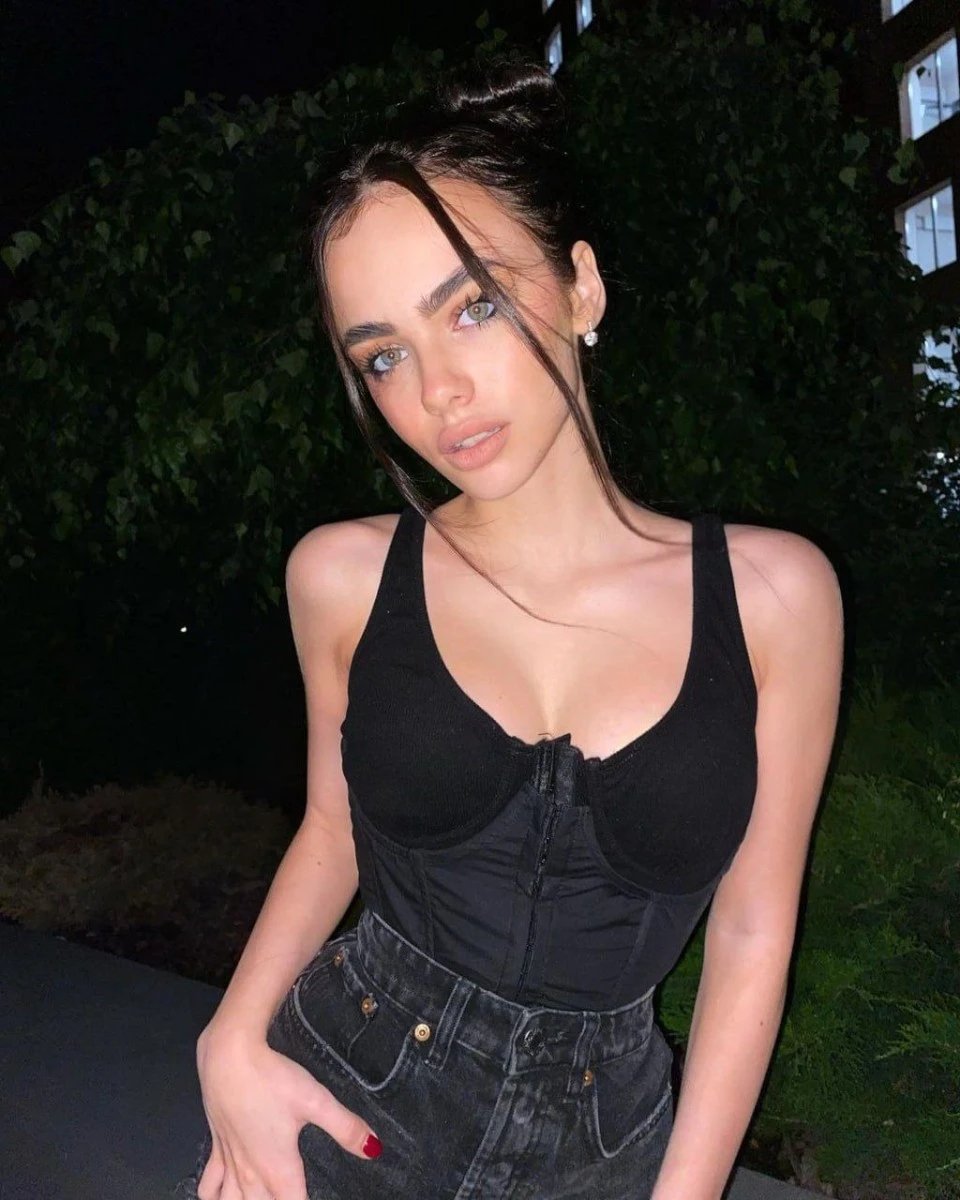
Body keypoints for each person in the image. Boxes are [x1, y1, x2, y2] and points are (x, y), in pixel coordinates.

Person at [176, 56, 844, 1200]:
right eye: (384, 355)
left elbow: (750, 935)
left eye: (474, 306)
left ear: (583, 289)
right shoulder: (343, 577)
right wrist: (229, 1039)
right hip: (345, 1095)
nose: (436, 390)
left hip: (610, 1150)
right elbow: (334, 830)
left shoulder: (775, 600)